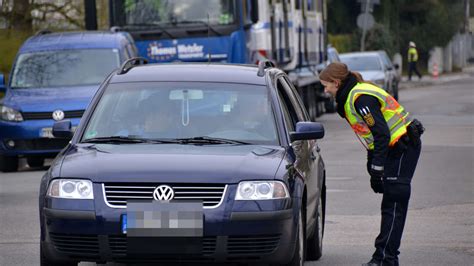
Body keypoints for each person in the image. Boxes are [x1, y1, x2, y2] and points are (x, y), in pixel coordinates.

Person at [319, 62, 424, 266]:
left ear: (336, 82)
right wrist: (372, 164)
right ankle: (384, 258)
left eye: (326, 85)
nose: (325, 90)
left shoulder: (359, 98)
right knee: (391, 204)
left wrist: (377, 169)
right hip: (395, 147)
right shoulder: (352, 95)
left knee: (394, 204)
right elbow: (371, 136)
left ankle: (385, 260)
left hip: (402, 147)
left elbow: (382, 134)